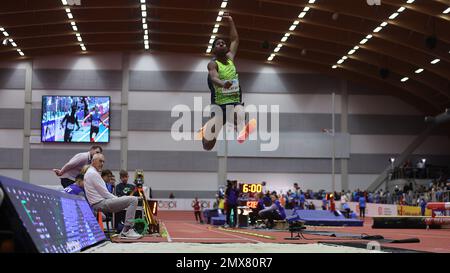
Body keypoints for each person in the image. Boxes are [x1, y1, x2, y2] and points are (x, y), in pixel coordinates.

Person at [199, 14, 248, 150]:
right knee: (207, 146)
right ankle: (207, 131)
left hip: (234, 101)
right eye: (218, 43)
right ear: (214, 49)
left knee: (239, 112)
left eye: (223, 43)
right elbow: (214, 78)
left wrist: (231, 21)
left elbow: (235, 39)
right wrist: (223, 84)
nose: (221, 43)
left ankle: (241, 128)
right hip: (219, 106)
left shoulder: (231, 58)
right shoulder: (212, 64)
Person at [84, 153, 142, 239]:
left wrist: (120, 200)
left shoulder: (91, 172)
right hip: (101, 203)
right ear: (93, 161)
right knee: (133, 200)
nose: (102, 163)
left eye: (103, 161)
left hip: (98, 203)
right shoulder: (93, 174)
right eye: (100, 161)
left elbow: (104, 193)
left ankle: (126, 230)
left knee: (131, 200)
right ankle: (126, 230)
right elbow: (105, 193)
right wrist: (119, 199)